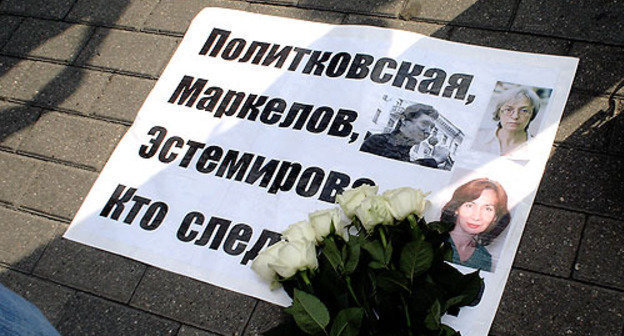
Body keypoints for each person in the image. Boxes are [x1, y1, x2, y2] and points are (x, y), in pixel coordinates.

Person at [440, 178, 510, 272]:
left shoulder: (483, 258)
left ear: (495, 217)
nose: (476, 216)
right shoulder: (435, 242)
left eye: (487, 209)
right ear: (457, 208)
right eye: (470, 205)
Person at [472, 87, 542, 157]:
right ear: (499, 112)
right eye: (508, 110)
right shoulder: (477, 137)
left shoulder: (538, 148)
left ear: (532, 115)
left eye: (524, 111)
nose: (515, 116)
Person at [360, 104, 438, 163]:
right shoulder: (379, 141)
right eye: (424, 123)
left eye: (431, 127)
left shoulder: (405, 152)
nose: (428, 131)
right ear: (403, 120)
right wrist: (435, 160)